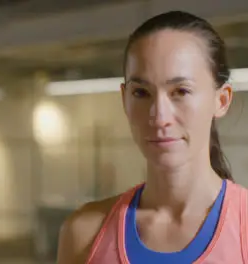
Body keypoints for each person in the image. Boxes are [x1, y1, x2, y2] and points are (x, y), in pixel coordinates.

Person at [57, 10, 248, 264]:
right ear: (124, 99)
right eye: (141, 93)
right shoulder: (85, 233)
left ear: (221, 100)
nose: (159, 117)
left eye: (180, 91)